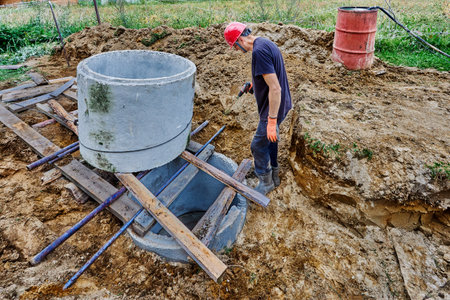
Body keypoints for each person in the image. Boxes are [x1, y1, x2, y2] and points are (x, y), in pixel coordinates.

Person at [224, 22, 292, 195]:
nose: (237, 50)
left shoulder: (259, 52)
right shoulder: (264, 43)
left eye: (235, 46)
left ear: (239, 39)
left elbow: (275, 88)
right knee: (271, 140)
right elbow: (270, 77)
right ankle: (275, 177)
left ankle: (266, 181)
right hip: (281, 103)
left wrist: (271, 120)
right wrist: (253, 87)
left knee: (257, 146)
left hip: (273, 108)